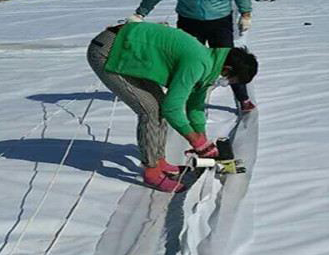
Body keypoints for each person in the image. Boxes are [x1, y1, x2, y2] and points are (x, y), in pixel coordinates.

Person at [87, 21, 258, 192]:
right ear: (227, 69)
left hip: (128, 50)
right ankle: (152, 171)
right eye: (231, 80)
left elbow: (195, 105)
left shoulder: (211, 63)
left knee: (158, 107)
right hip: (108, 51)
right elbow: (172, 107)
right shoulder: (198, 62)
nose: (227, 83)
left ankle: (159, 161)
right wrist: (196, 141)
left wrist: (202, 138)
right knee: (150, 110)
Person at [128, 0, 257, 113]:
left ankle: (242, 98)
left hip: (219, 22)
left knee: (230, 61)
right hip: (189, 22)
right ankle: (186, 99)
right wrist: (140, 14)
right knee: (187, 61)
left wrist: (246, 14)